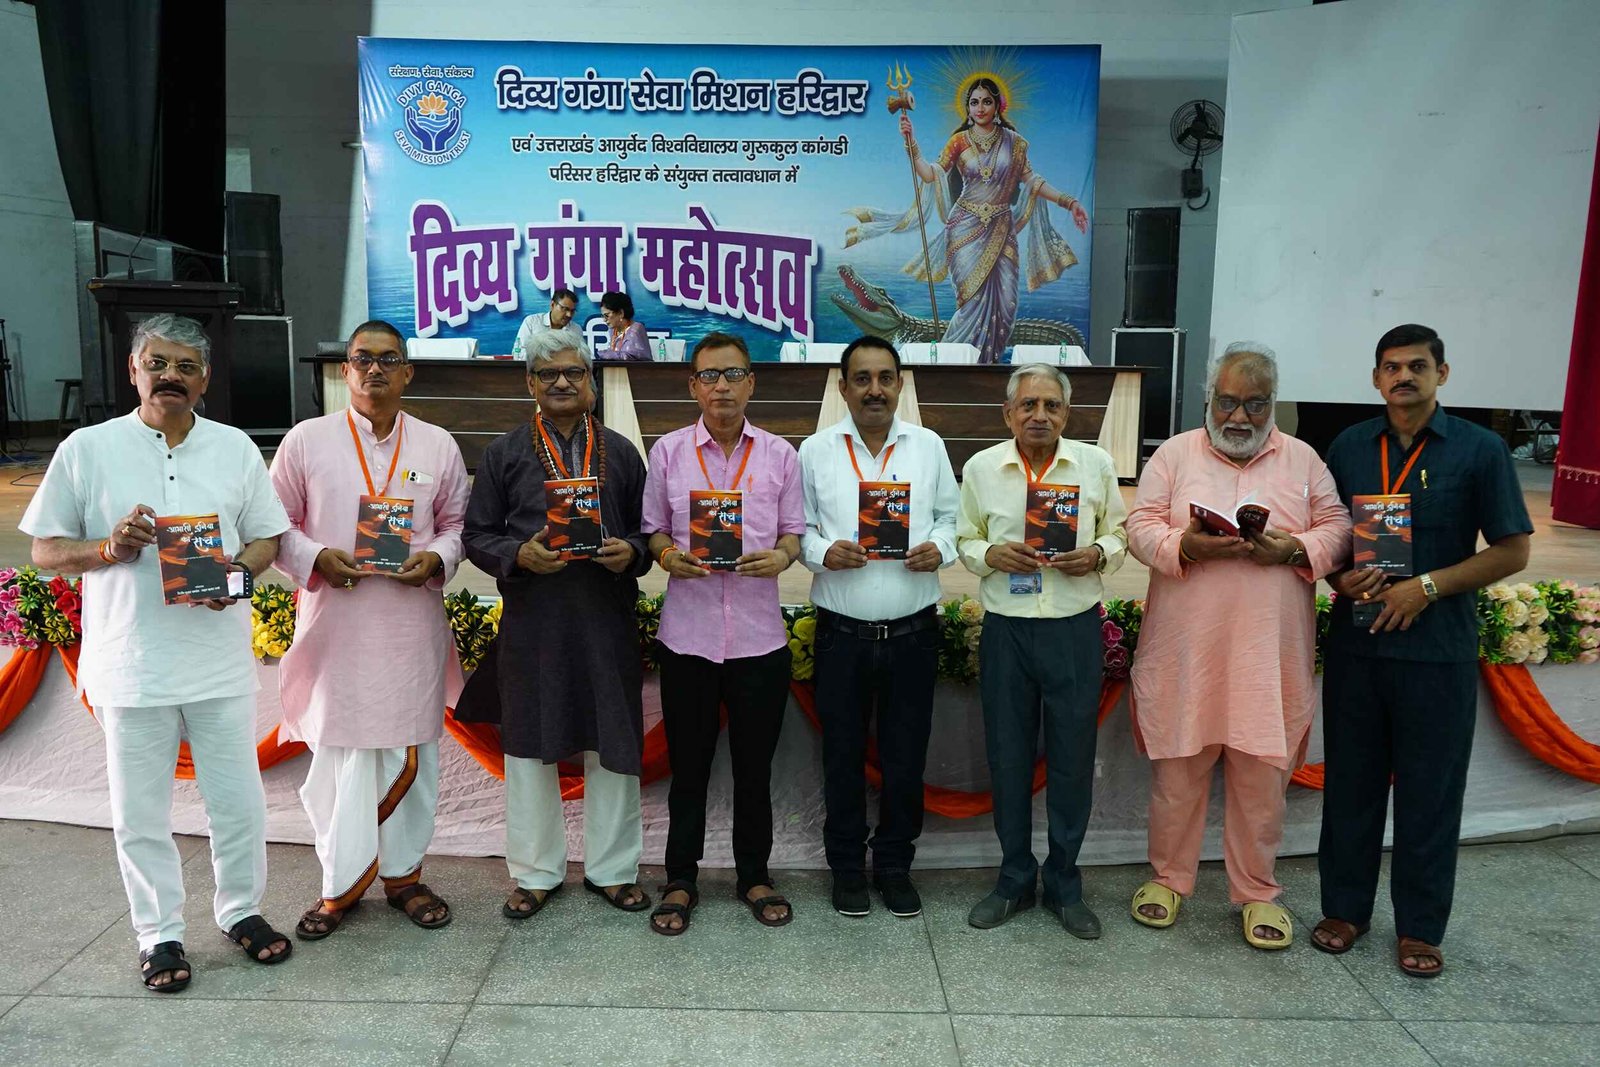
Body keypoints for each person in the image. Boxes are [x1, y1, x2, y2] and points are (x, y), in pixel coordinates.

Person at [21, 313, 293, 992]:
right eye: (158, 363)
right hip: (131, 663)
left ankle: (240, 910)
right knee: (140, 812)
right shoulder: (87, 449)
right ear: (134, 369)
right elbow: (45, 550)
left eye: (186, 366)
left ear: (205, 378)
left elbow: (267, 537)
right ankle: (158, 933)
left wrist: (237, 576)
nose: (171, 376)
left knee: (239, 803)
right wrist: (106, 548)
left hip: (217, 662)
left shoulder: (234, 448)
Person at [1315, 324, 1532, 978]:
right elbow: (1329, 538)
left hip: (1437, 654)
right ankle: (1345, 910)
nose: (1403, 377)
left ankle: (1420, 926)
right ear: (1375, 378)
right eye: (1391, 367)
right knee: (1349, 786)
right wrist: (1338, 579)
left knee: (1430, 794)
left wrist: (1427, 587)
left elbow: (1512, 551)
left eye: (1417, 366)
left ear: (1442, 373)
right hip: (1358, 648)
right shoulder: (1350, 447)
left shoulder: (1479, 449)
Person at [1124, 343, 1352, 949]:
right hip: (1186, 654)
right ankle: (1168, 879)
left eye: (1255, 404)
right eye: (1227, 402)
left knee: (1261, 784)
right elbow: (1140, 525)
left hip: (1267, 658)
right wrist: (1185, 545)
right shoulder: (1174, 453)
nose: (1240, 416)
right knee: (1178, 775)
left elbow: (1338, 529)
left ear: (1273, 403)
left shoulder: (1303, 460)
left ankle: (1256, 892)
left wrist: (1294, 549)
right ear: (1209, 399)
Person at [268, 320, 470, 940]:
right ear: (345, 370)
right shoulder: (306, 441)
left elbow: (458, 526)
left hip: (409, 627)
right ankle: (339, 883)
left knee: (413, 752)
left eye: (388, 359)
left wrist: (436, 559)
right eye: (363, 359)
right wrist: (316, 558)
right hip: (336, 626)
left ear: (408, 371)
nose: (374, 370)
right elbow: (274, 525)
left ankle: (405, 876)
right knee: (339, 756)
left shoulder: (437, 444)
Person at [457, 330, 654, 919]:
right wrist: (518, 554)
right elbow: (476, 535)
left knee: (612, 743)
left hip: (604, 618)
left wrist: (632, 553)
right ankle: (536, 872)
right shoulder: (504, 454)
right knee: (527, 748)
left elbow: (648, 532)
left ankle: (613, 870)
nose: (562, 383)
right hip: (533, 622)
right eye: (549, 374)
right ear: (530, 383)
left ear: (591, 381)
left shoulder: (622, 452)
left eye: (573, 372)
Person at [640, 332, 805, 934]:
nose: (722, 386)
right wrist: (667, 556)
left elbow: (793, 533)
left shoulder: (780, 455)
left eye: (733, 374)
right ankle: (680, 879)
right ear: (693, 386)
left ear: (751, 382)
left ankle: (753, 875)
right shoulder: (668, 452)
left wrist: (782, 557)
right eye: (709, 375)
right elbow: (653, 529)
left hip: (760, 641)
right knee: (689, 768)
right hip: (689, 637)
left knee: (754, 769)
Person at [956, 363, 1127, 938]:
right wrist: (989, 555)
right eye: (1028, 405)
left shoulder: (1095, 464)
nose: (1039, 416)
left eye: (1051, 405)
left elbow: (1120, 533)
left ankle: (1064, 883)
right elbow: (964, 537)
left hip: (1073, 628)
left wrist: (1097, 554)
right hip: (1007, 630)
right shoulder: (982, 468)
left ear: (1066, 413)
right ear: (1008, 413)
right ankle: (1013, 878)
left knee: (1073, 759)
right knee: (1007, 757)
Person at [798, 335, 959, 918]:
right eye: (862, 379)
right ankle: (846, 867)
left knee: (905, 758)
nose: (874, 389)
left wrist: (939, 549)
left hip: (913, 633)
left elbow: (950, 519)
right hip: (841, 635)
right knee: (841, 757)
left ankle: (894, 864)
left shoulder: (928, 445)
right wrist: (823, 552)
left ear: (900, 385)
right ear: (843, 388)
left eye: (885, 378)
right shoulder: (815, 450)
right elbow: (799, 528)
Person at [849, 76, 1088, 365]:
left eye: (986, 101)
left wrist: (1069, 202)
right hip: (964, 230)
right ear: (967, 107)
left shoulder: (1015, 143)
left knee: (1006, 304)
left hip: (1002, 228)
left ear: (997, 105)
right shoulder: (959, 141)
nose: (980, 108)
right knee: (971, 304)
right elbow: (930, 174)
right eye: (974, 102)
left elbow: (1033, 181)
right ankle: (955, 368)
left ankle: (987, 370)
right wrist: (911, 142)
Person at [512, 288, 582, 361]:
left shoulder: (576, 329)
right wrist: (546, 358)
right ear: (552, 305)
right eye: (565, 309)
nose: (569, 315)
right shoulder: (532, 322)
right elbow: (518, 353)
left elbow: (580, 357)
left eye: (572, 311)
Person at [599, 291, 652, 361]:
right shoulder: (613, 330)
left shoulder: (636, 328)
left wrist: (608, 354)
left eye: (607, 315)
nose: (604, 320)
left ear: (621, 313)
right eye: (603, 316)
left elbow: (632, 357)